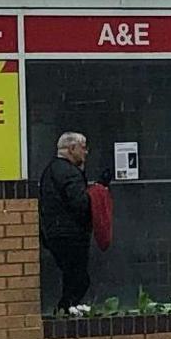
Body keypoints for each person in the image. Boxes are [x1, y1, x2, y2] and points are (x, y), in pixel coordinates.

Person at [38, 130, 99, 313]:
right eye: (83, 147)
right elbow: (80, 203)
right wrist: (97, 194)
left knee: (70, 276)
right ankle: (65, 311)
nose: (86, 152)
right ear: (72, 149)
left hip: (53, 233)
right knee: (78, 279)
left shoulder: (50, 170)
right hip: (71, 235)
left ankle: (66, 310)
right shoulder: (70, 174)